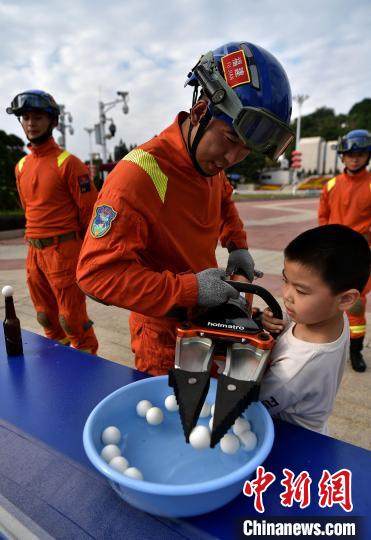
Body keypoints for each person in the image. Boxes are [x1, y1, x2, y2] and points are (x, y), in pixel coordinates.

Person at [77, 41, 294, 375]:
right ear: (199, 112)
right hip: (165, 336)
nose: (231, 158)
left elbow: (223, 198)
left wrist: (238, 246)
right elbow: (95, 276)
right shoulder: (139, 175)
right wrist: (191, 289)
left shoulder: (210, 164)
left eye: (246, 150)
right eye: (230, 140)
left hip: (208, 313)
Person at [6, 89, 99, 354]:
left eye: (37, 117)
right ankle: (59, 365)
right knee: (45, 316)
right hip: (34, 252)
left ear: (53, 122)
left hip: (63, 252)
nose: (30, 123)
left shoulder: (69, 164)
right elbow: (28, 208)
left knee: (71, 320)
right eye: (25, 117)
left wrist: (87, 257)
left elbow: (90, 215)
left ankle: (88, 367)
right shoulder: (21, 166)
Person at [259, 224, 370, 434]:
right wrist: (278, 321)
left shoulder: (298, 367)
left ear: (346, 299)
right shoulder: (332, 315)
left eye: (301, 290)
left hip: (293, 437)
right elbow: (293, 326)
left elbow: (255, 403)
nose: (287, 295)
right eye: (285, 280)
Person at [318, 129, 371, 372]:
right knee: (327, 299)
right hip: (334, 255)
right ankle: (326, 345)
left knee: (356, 305)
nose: (354, 158)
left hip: (361, 256)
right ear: (342, 157)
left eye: (360, 153)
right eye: (349, 153)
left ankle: (356, 351)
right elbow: (322, 219)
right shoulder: (330, 185)